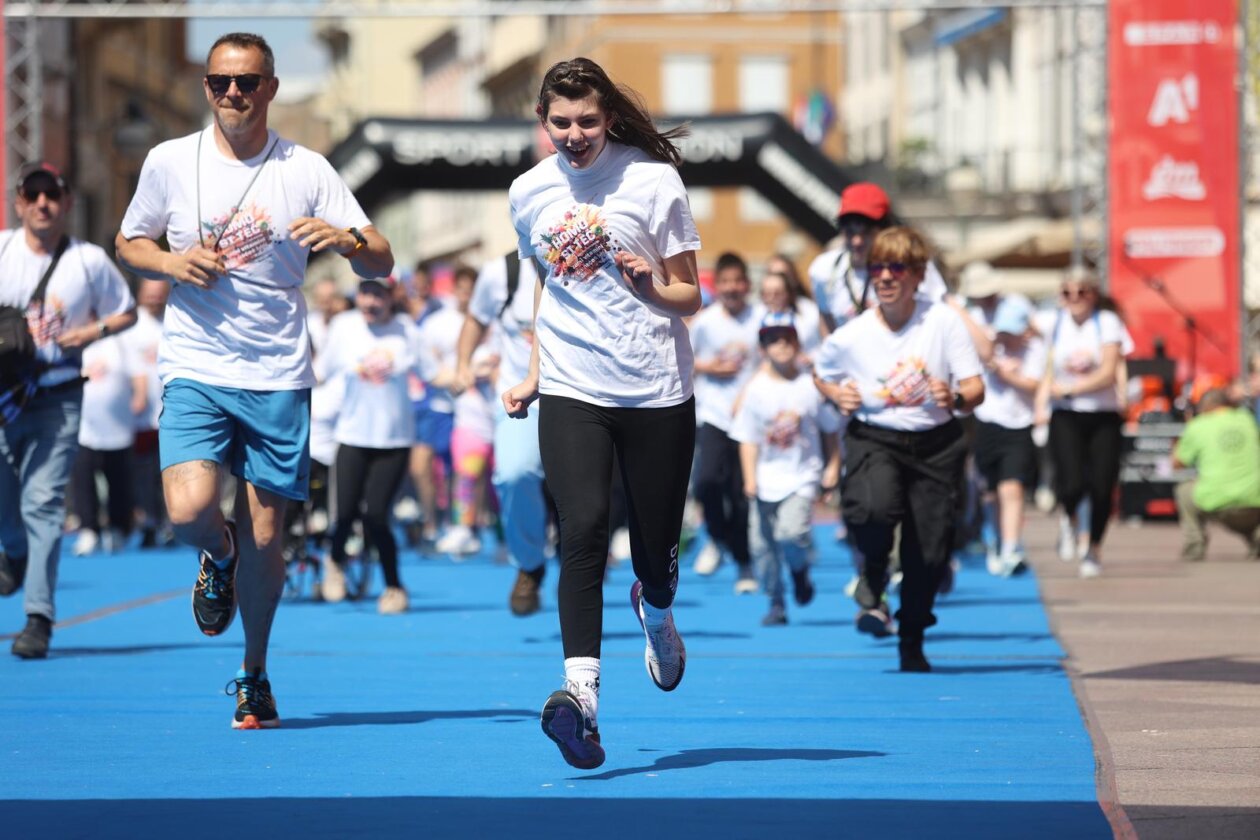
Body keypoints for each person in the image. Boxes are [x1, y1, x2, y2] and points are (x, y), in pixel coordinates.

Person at [115, 32, 393, 727]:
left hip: (276, 373)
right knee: (187, 511)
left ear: (269, 87)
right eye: (219, 82)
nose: (232, 93)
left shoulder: (307, 169)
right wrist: (174, 263)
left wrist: (349, 240)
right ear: (206, 87)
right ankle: (217, 551)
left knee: (271, 538)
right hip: (196, 365)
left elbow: (380, 259)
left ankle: (255, 671)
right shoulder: (170, 161)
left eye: (247, 82)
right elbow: (129, 242)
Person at [503, 57, 700, 769]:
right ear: (543, 122)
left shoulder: (651, 181)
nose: (575, 134)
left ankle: (657, 613)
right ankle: (580, 701)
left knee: (653, 558)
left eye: (587, 120)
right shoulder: (528, 192)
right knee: (582, 529)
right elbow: (545, 290)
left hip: (655, 390)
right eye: (561, 122)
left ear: (608, 118)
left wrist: (652, 287)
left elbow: (690, 296)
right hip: (572, 385)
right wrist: (531, 373)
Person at [813, 226, 984, 673]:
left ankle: (912, 637)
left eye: (896, 268)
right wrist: (835, 394)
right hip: (876, 437)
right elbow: (821, 372)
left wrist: (957, 398)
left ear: (917, 275)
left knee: (928, 552)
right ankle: (873, 571)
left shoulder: (943, 321)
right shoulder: (854, 333)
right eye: (877, 268)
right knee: (871, 509)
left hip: (936, 445)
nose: (885, 277)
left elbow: (975, 388)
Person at [0, 163, 137, 659]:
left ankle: (38, 617)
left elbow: (127, 311)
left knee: (43, 503)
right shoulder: (2, 251)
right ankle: (14, 553)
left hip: (57, 397)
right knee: (7, 505)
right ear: (18, 202)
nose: (42, 204)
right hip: (2, 399)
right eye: (32, 195)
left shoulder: (89, 261)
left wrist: (92, 332)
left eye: (52, 195)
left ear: (66, 203)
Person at [453, 251, 550, 616]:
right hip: (519, 396)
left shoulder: (587, 259)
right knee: (513, 473)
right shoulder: (501, 273)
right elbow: (475, 321)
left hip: (580, 395)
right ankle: (529, 564)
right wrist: (462, 364)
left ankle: (586, 565)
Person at [315, 277, 416, 614]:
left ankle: (394, 587)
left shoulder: (406, 331)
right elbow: (321, 370)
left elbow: (434, 372)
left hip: (394, 440)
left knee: (376, 515)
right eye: (365, 293)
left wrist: (463, 376)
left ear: (391, 297)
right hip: (352, 435)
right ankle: (334, 564)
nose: (370, 301)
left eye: (378, 294)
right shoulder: (344, 327)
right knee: (343, 514)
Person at [731, 317, 840, 626]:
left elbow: (830, 431)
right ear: (763, 350)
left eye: (786, 340)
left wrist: (832, 467)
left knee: (790, 534)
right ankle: (776, 601)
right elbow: (748, 439)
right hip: (766, 480)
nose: (780, 346)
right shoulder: (756, 390)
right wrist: (749, 478)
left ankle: (799, 571)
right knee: (762, 547)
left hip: (802, 476)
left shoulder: (811, 386)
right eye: (772, 341)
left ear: (797, 345)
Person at [1036, 268, 1125, 579]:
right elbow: (1031, 348)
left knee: (1102, 485)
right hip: (1065, 414)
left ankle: (1093, 547)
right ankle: (1069, 519)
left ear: (1093, 294)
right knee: (1071, 481)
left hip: (1103, 413)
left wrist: (1074, 388)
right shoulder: (1052, 323)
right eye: (1067, 293)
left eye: (1082, 292)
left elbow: (1110, 369)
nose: (1075, 299)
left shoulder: (1107, 322)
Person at [688, 251, 762, 589]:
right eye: (725, 282)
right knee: (706, 483)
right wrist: (710, 367)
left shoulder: (760, 318)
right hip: (713, 414)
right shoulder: (705, 321)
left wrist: (749, 395)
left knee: (741, 493)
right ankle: (717, 538)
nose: (732, 288)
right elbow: (684, 360)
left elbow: (771, 361)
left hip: (749, 420)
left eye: (737, 282)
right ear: (717, 286)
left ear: (746, 285)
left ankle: (745, 565)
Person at [807, 182, 947, 342]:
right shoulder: (824, 270)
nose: (857, 241)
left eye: (866, 232)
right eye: (849, 232)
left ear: (884, 229)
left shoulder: (910, 266)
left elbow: (940, 315)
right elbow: (826, 321)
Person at [969, 295, 1045, 577]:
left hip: (1019, 426)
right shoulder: (988, 349)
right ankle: (997, 539)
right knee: (990, 493)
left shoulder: (1034, 349)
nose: (1007, 338)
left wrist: (1008, 375)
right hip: (988, 424)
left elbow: (1033, 385)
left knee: (1011, 488)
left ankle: (1012, 546)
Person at [68, 332, 146, 555]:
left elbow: (139, 373)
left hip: (118, 428)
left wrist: (140, 395)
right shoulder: (79, 338)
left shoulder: (122, 340)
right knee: (83, 480)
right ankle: (88, 530)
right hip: (85, 427)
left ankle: (117, 529)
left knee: (119, 482)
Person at [1173, 388, 1260, 561]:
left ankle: (1194, 545)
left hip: (1217, 501)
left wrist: (1187, 428)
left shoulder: (1198, 425)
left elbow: (1177, 463)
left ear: (1204, 407)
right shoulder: (1247, 419)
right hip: (1255, 501)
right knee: (1246, 507)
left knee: (1184, 491)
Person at [125, 279, 170, 548]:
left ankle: (168, 522)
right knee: (143, 473)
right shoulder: (132, 326)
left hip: (170, 411)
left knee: (168, 471)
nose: (154, 299)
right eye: (149, 294)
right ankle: (148, 521)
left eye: (158, 295)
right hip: (141, 416)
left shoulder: (173, 321)